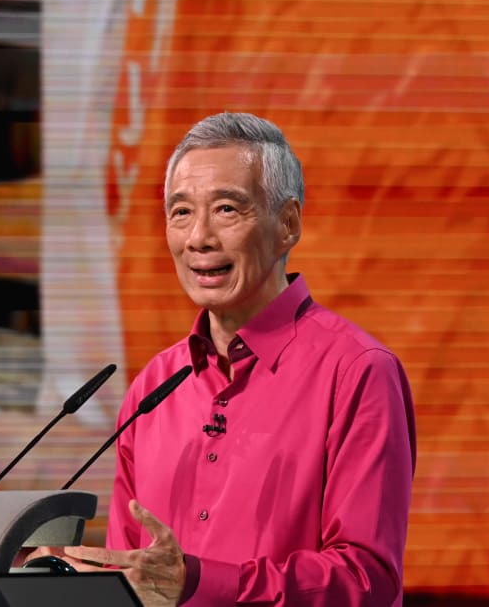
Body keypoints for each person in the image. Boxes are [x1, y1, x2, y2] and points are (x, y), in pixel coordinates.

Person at [31, 112, 417, 607]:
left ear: (288, 225)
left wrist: (198, 582)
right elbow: (133, 578)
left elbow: (368, 580)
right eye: (181, 212)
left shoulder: (358, 371)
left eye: (228, 209)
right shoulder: (155, 383)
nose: (198, 238)